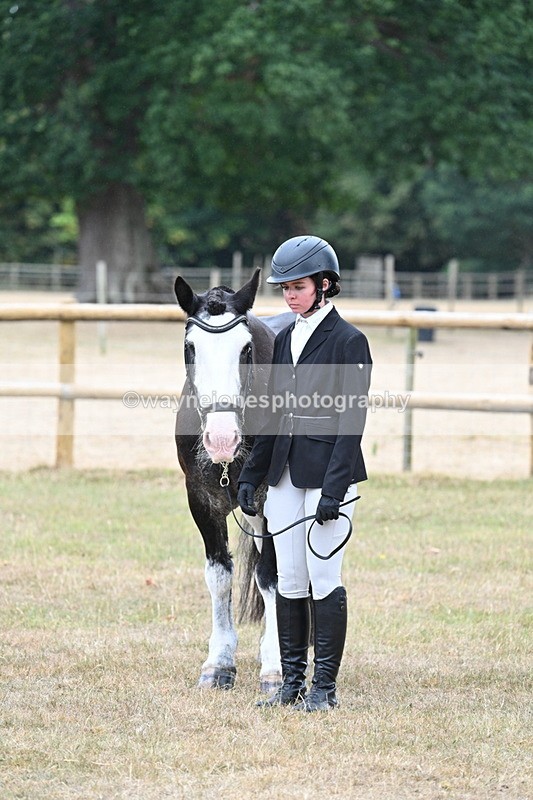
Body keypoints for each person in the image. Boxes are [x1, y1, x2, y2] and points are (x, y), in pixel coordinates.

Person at [237, 235, 372, 712]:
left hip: (327, 479)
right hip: (284, 476)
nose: (289, 295)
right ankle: (292, 683)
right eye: (284, 288)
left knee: (323, 577)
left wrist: (333, 491)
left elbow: (350, 422)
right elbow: (270, 414)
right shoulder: (284, 338)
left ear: (324, 284)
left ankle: (324, 688)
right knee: (290, 579)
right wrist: (252, 474)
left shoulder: (349, 341)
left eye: (297, 286)